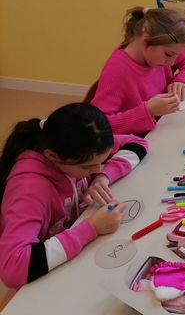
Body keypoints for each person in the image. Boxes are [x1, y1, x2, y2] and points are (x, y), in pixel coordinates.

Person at [0, 103, 148, 288]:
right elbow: (12, 268)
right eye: (87, 167)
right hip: (44, 279)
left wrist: (103, 177)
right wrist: (91, 227)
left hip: (74, 254)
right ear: (52, 156)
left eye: (102, 162)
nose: (97, 169)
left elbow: (137, 143)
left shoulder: (81, 145)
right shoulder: (30, 189)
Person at [91, 6, 185, 135]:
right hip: (140, 139)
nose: (172, 62)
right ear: (146, 40)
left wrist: (182, 80)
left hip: (164, 125)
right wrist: (148, 111)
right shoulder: (117, 71)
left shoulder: (160, 51)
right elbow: (98, 126)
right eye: (168, 55)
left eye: (176, 56)